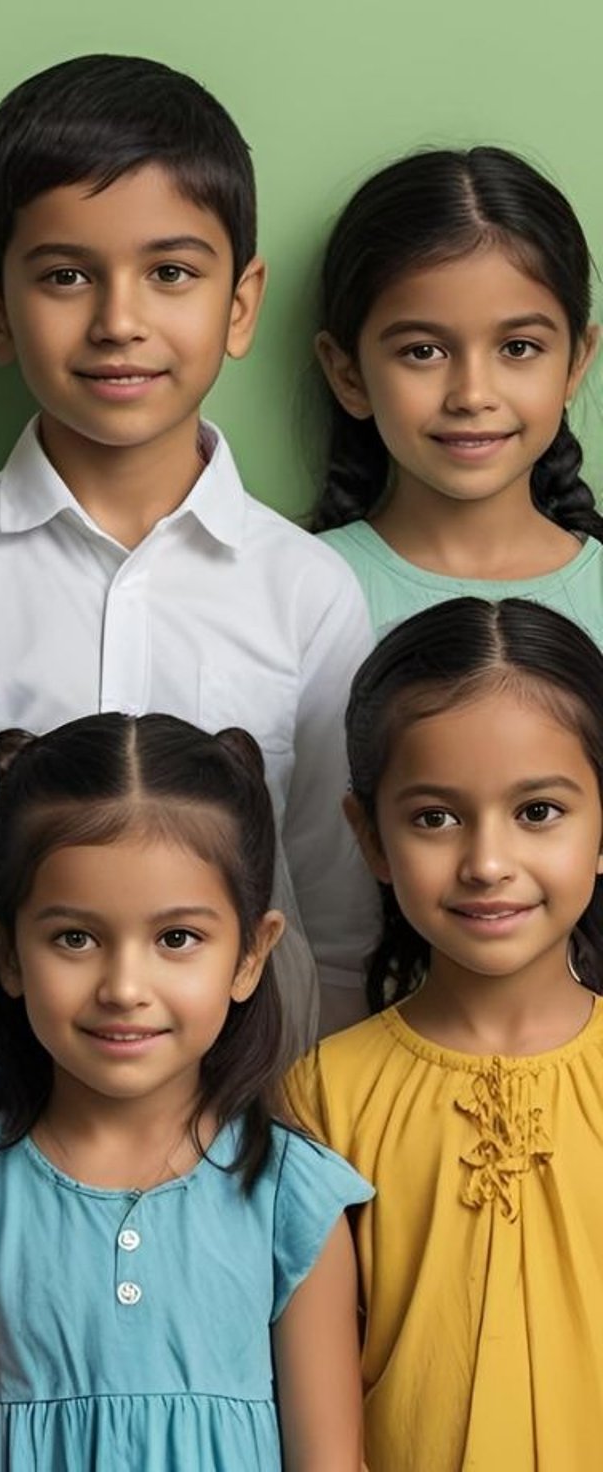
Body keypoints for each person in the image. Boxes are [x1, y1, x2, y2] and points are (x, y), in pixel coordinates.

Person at [0, 53, 377, 1100]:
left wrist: (313, 1131)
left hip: (243, 1125)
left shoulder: (307, 589)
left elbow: (340, 912)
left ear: (241, 303)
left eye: (170, 273)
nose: (118, 321)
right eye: (65, 276)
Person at [0, 713, 369, 1470]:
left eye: (177, 939)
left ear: (251, 956)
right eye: (75, 938)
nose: (123, 987)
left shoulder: (294, 1201)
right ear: (6, 953)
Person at [284, 598, 603, 1471]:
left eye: (538, 811)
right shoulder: (321, 1099)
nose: (487, 863)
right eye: (435, 817)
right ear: (371, 838)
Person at [309, 147, 603, 636]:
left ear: (575, 365)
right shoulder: (294, 590)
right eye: (423, 351)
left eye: (518, 347)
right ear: (349, 375)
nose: (471, 395)